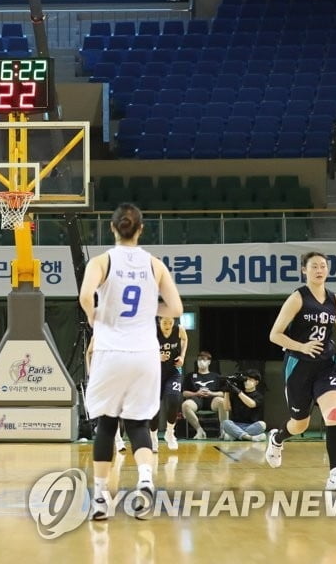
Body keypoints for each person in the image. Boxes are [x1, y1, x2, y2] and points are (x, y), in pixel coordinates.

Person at [78, 203, 183, 520]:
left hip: (111, 351)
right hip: (144, 353)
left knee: (107, 425)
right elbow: (175, 308)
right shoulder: (155, 264)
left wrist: (96, 317)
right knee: (139, 423)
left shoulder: (101, 261)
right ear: (141, 229)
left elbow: (85, 297)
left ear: (112, 228)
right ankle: (146, 481)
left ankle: (99, 500)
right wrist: (149, 310)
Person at [266, 251, 336, 491]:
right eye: (314, 266)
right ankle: (277, 438)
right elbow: (275, 335)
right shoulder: (297, 298)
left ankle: (335, 473)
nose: (319, 269)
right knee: (300, 424)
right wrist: (302, 346)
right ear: (304, 270)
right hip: (299, 367)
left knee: (334, 413)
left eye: (323, 266)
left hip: (327, 364)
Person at [152, 316, 186, 451]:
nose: (167, 325)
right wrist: (156, 356)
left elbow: (184, 339)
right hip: (154, 373)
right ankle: (153, 437)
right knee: (154, 408)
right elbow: (141, 351)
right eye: (164, 322)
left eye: (170, 322)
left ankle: (170, 432)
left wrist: (182, 356)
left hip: (173, 372)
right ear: (159, 321)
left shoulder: (179, 330)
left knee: (174, 399)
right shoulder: (151, 331)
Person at [181, 350, 227, 440]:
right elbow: (184, 393)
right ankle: (200, 431)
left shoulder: (216, 376)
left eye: (204, 360)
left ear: (209, 362)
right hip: (196, 399)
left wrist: (211, 393)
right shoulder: (190, 376)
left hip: (212, 400)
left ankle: (223, 431)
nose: (201, 362)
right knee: (185, 405)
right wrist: (196, 393)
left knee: (222, 401)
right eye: (199, 360)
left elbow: (222, 393)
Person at [220, 369, 266, 441]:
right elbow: (226, 408)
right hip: (235, 424)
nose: (247, 382)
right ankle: (250, 437)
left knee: (262, 425)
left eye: (250, 380)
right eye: (245, 380)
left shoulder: (258, 396)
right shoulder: (235, 393)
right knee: (225, 423)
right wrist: (226, 391)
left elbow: (251, 404)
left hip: (251, 425)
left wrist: (238, 392)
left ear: (256, 382)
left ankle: (235, 436)